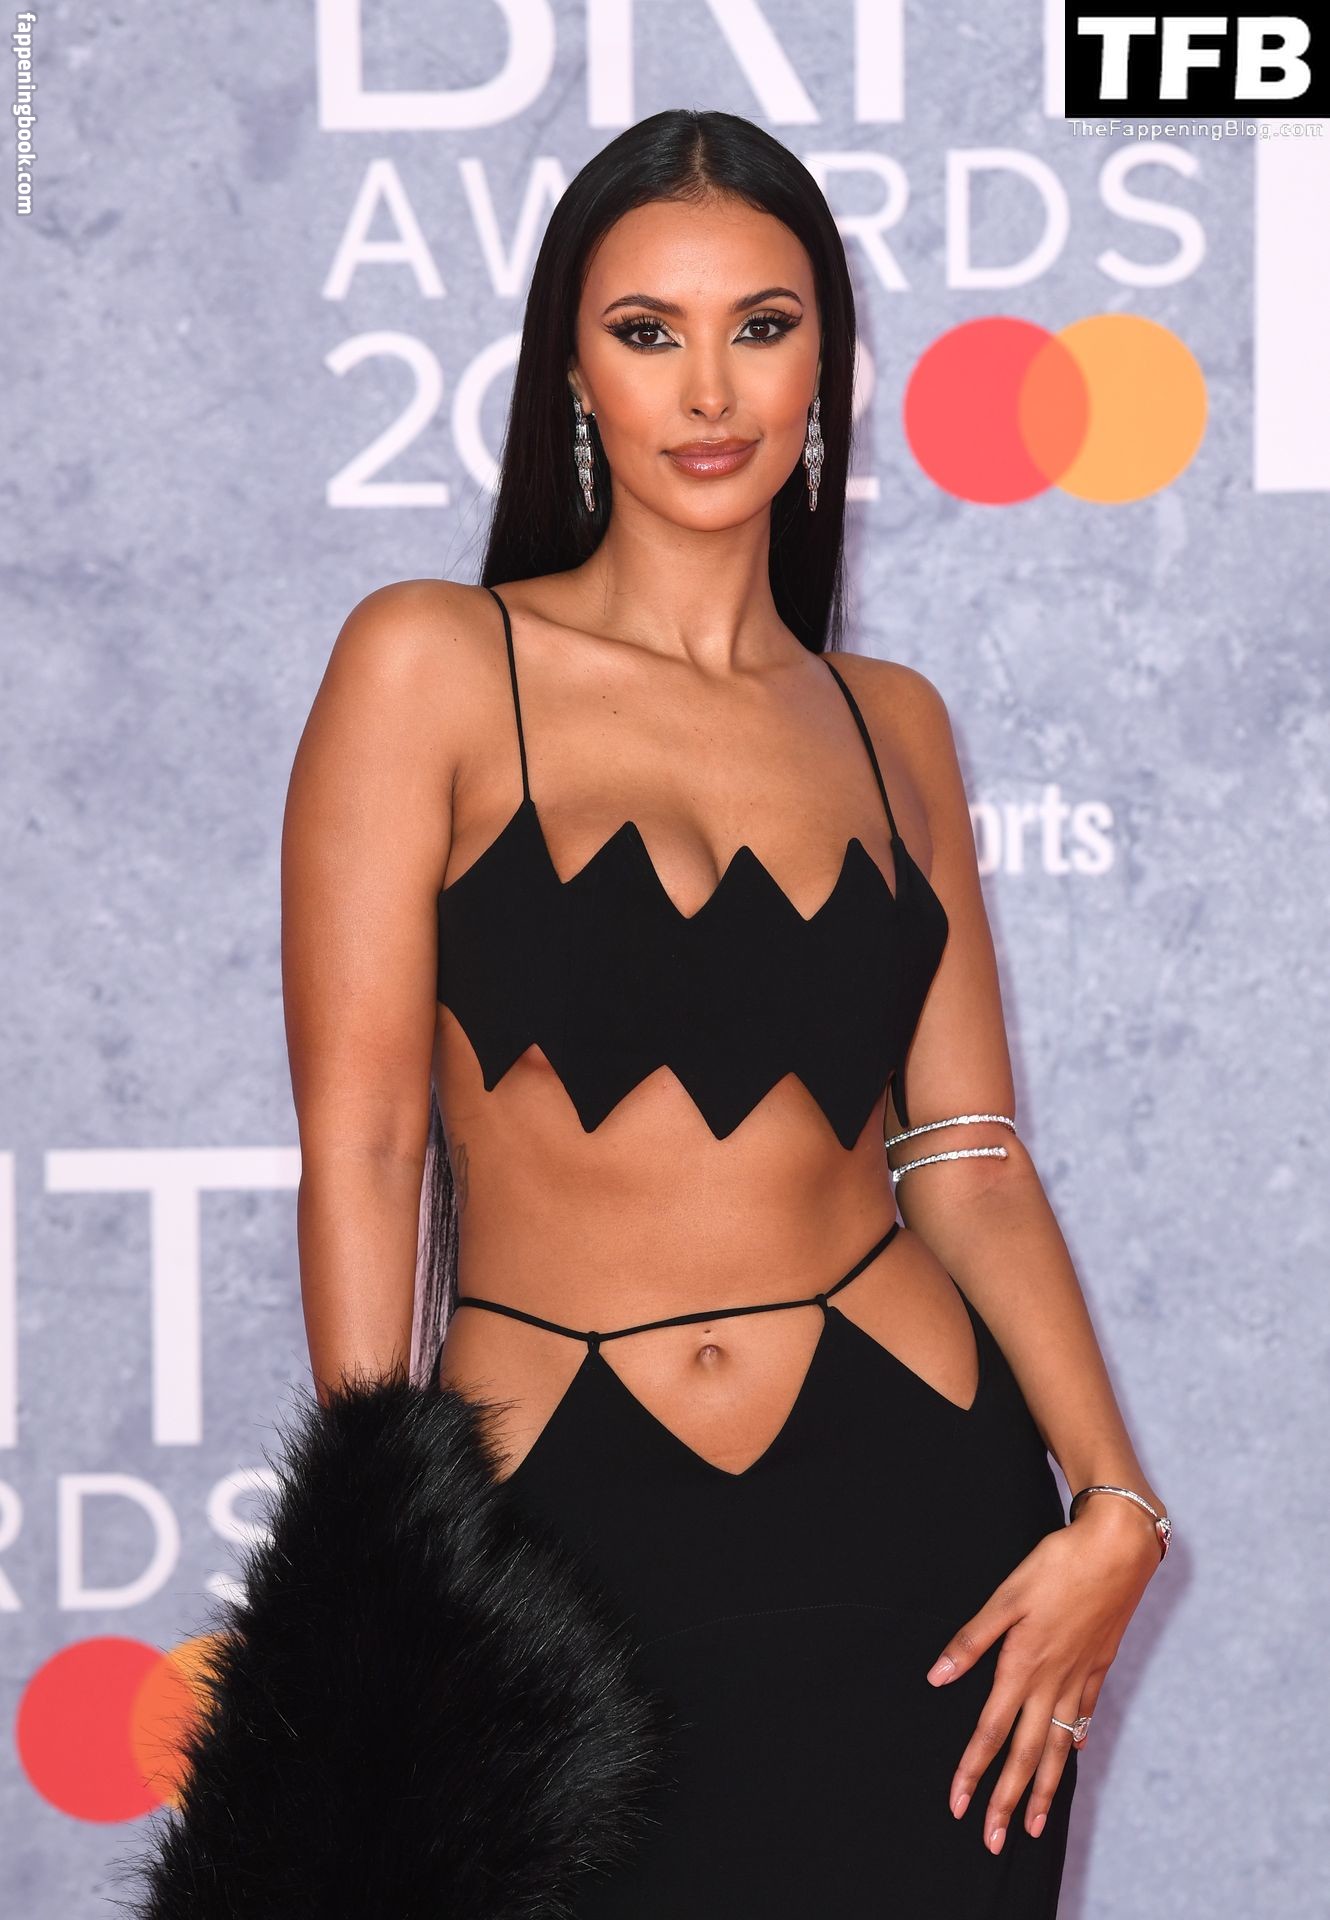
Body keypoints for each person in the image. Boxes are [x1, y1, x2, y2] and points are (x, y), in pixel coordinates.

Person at [137, 109, 1170, 1919]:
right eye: (645, 331)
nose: (708, 391)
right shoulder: (430, 660)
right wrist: (380, 1561)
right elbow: (366, 1144)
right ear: (570, 371)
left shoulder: (893, 723)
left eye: (761, 327)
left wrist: (1111, 1508)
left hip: (920, 1535)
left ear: (826, 365)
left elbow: (966, 1155)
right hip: (555, 1538)